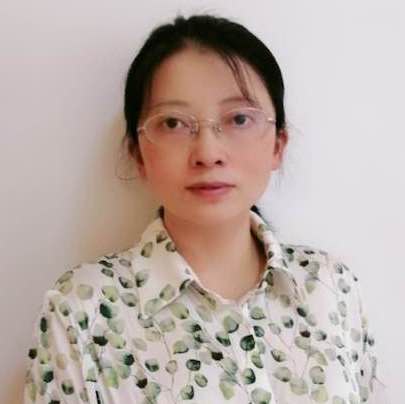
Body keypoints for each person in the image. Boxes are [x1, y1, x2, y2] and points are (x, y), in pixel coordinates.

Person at [24, 13, 387, 404]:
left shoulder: (332, 289)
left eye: (239, 119)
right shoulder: (83, 309)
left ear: (278, 145)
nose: (208, 153)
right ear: (137, 154)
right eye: (173, 124)